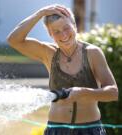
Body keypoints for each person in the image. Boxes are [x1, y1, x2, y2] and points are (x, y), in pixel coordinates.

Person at [7, 4, 118, 135]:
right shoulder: (48, 53)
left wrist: (83, 92)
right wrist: (40, 13)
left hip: (89, 129)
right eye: (56, 31)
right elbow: (13, 40)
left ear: (75, 26)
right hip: (56, 130)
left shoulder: (92, 53)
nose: (63, 35)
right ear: (50, 34)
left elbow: (113, 93)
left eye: (66, 28)